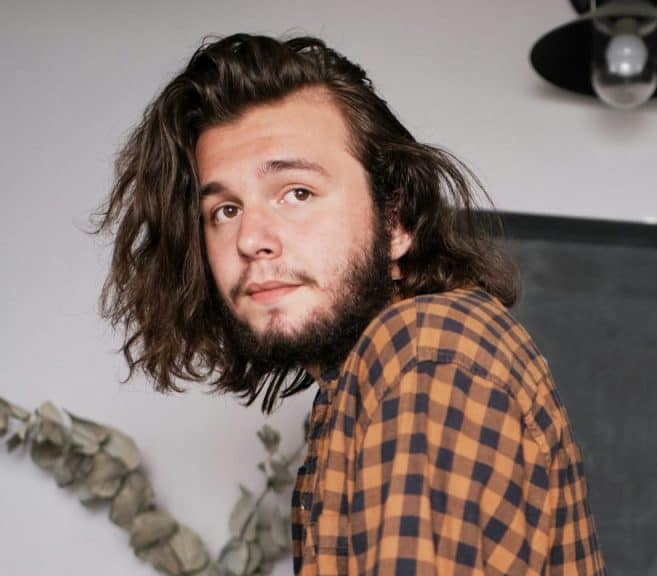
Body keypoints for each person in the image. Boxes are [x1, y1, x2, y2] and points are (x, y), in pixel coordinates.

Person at [96, 33, 605, 575]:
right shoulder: (360, 386)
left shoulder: (422, 354)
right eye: (225, 210)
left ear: (397, 220)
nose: (250, 239)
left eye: (297, 193)